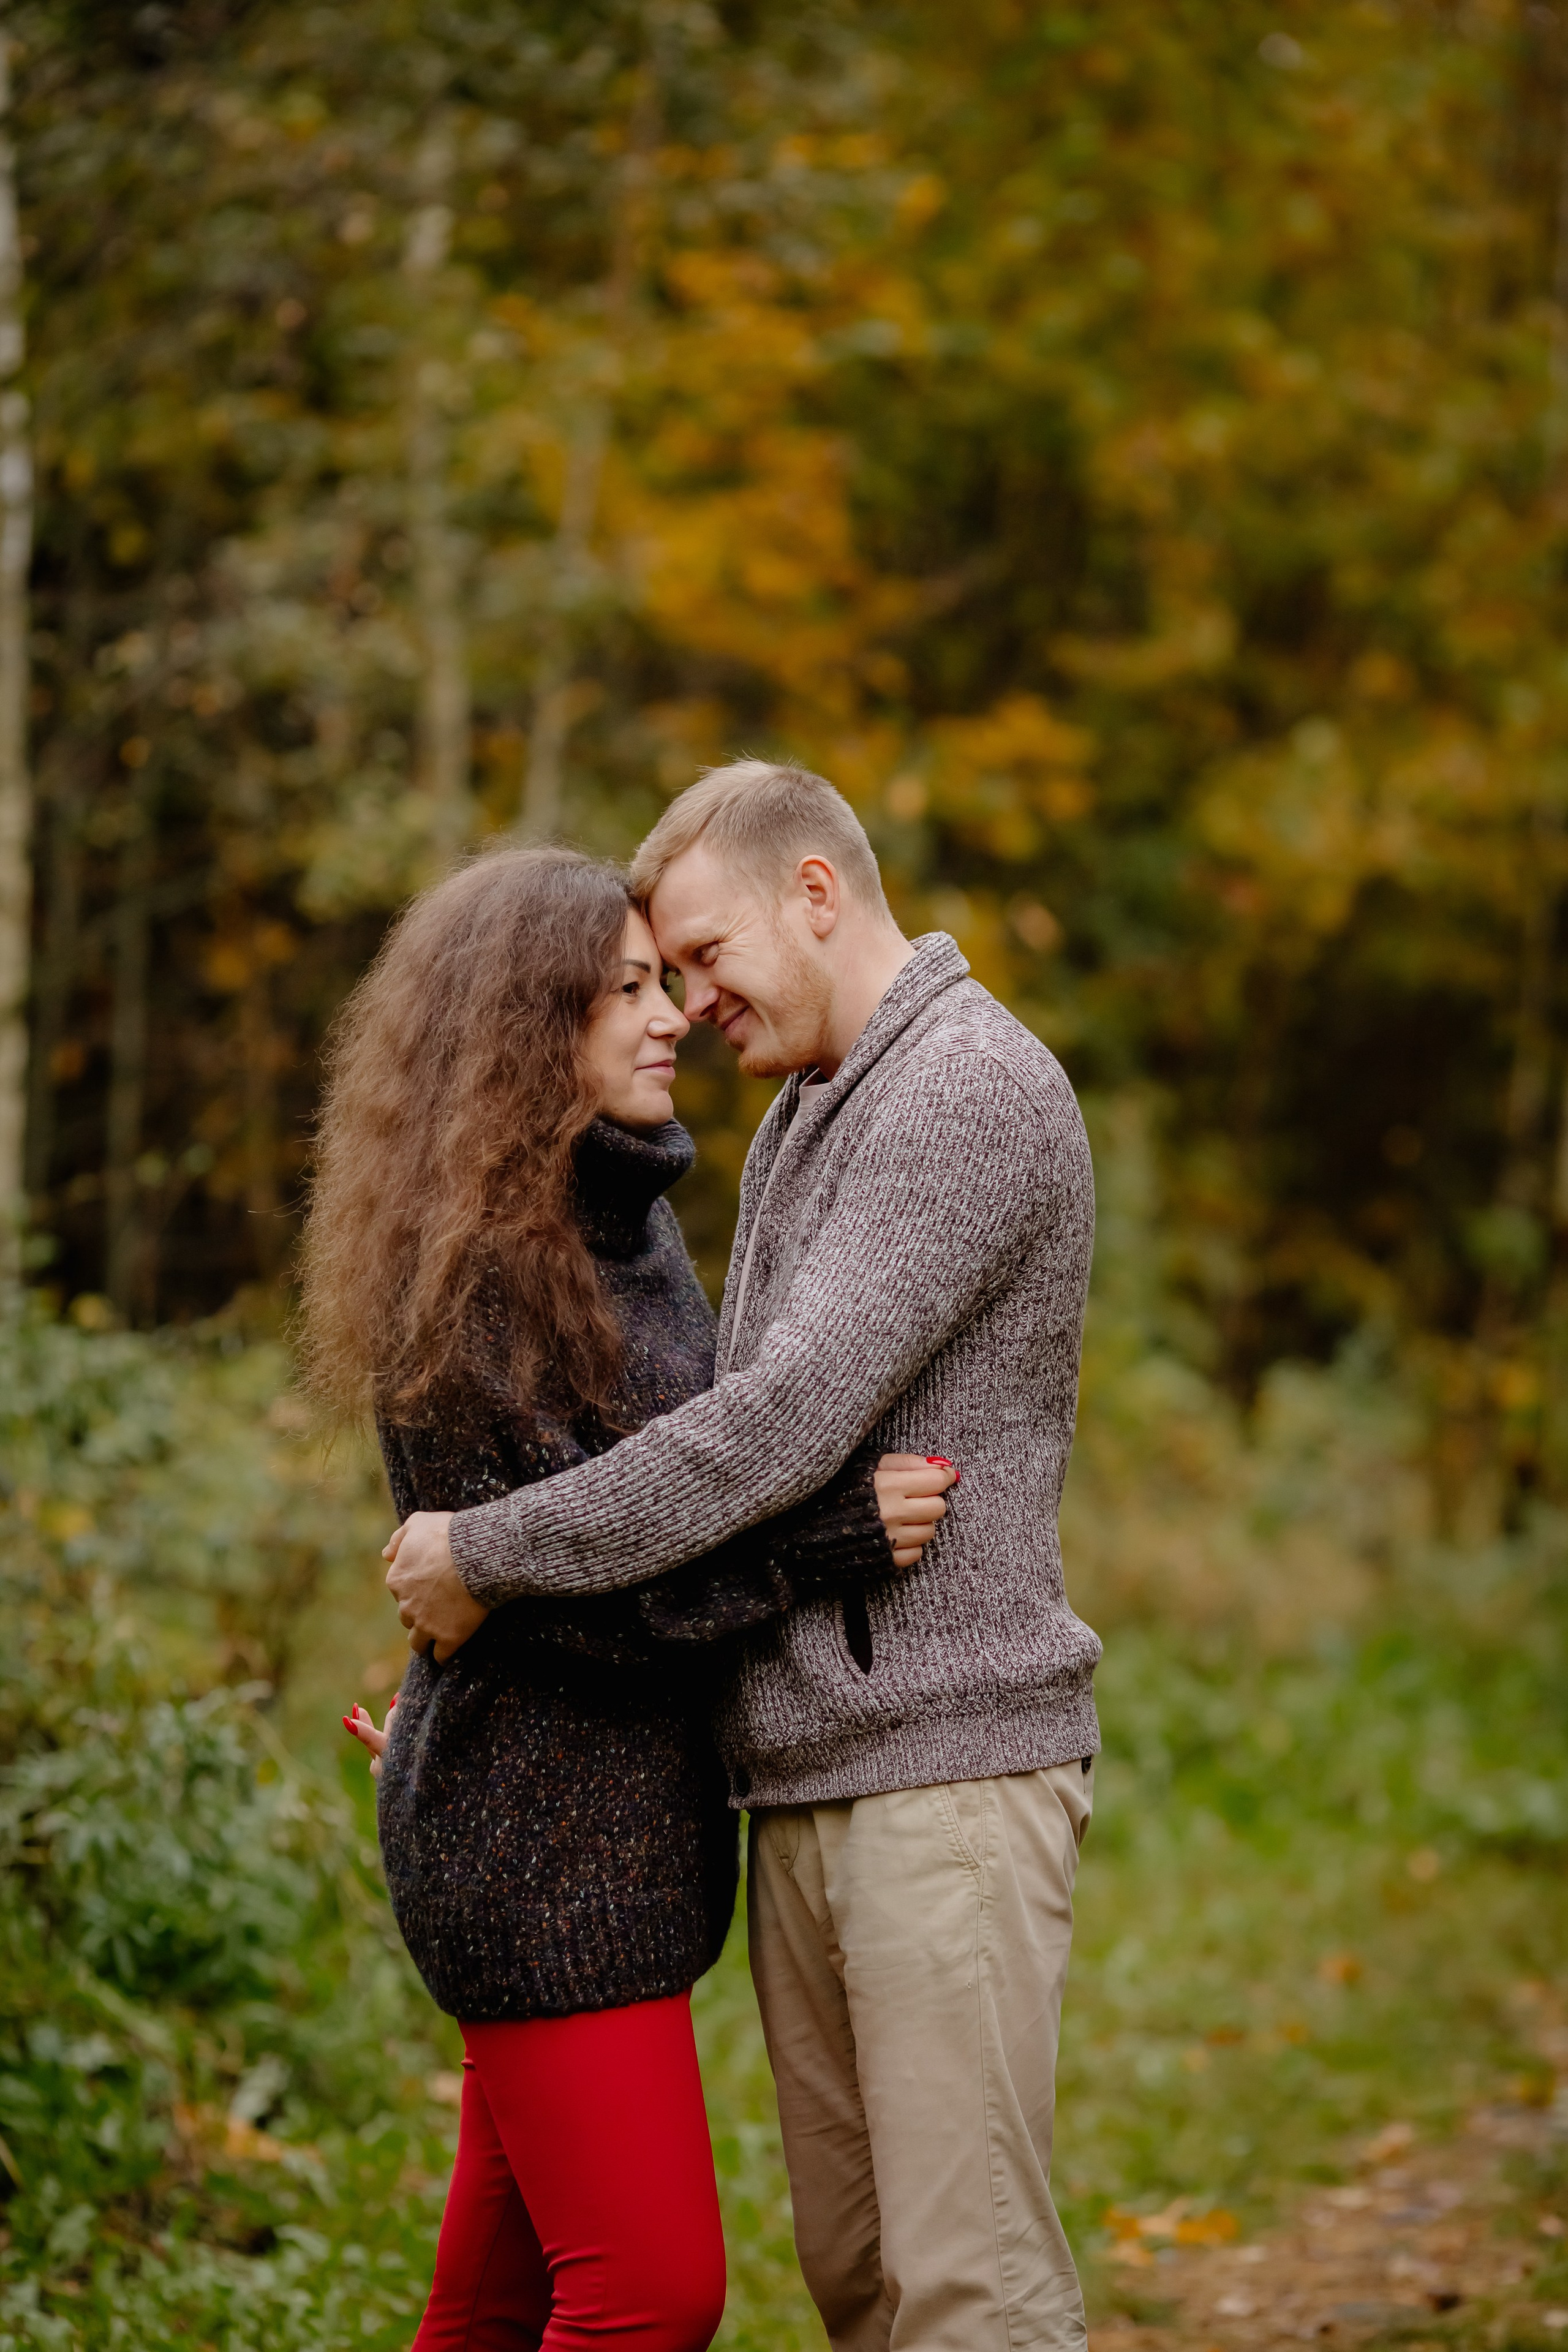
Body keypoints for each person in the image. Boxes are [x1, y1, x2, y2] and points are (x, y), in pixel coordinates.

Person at [385, 766, 1102, 2352]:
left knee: (967, 2289)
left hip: (939, 1770)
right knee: (861, 2283)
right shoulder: (799, 1117)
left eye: (704, 956)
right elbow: (687, 1453)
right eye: (663, 974)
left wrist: (488, 1559)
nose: (694, 1000)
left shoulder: (965, 1089)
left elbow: (772, 1430)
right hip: (800, 1785)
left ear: (818, 895)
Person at [298, 843, 953, 2352]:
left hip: (597, 1834)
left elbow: (648, 1507)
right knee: (651, 2295)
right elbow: (576, 1599)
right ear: (531, 1032)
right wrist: (818, 1545)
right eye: (626, 992)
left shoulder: (621, 1221)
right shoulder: (467, 1279)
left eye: (665, 983)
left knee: (493, 2305)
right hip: (533, 1853)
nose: (669, 1017)